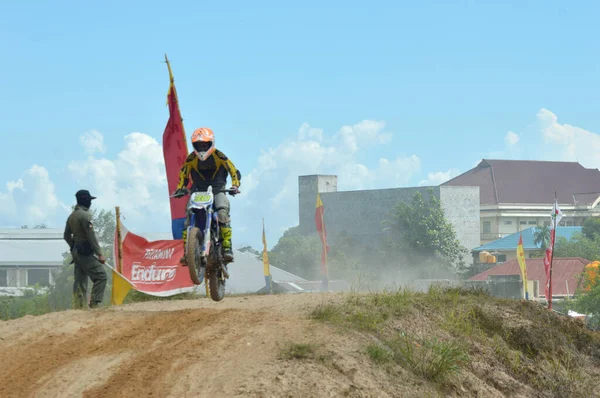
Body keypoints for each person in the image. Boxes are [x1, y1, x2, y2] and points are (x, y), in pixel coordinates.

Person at [172, 127, 241, 264]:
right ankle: (188, 252)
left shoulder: (220, 156)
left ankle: (227, 247)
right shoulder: (191, 159)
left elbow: (233, 170)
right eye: (199, 145)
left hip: (218, 190)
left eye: (205, 145)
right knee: (188, 216)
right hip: (198, 191)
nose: (202, 148)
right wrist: (180, 189)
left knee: (222, 211)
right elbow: (183, 175)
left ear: (211, 143)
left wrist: (235, 185)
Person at [63, 190, 107, 309]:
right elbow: (90, 236)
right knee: (101, 276)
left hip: (77, 252)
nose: (91, 203)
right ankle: (95, 303)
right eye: (90, 200)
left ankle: (78, 306)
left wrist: (74, 246)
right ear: (86, 200)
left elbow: (66, 236)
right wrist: (99, 254)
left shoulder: (71, 216)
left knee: (80, 280)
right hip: (84, 252)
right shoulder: (85, 215)